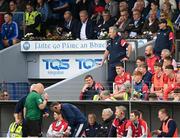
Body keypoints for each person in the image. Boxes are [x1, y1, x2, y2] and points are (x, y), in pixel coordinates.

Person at [100, 26, 132, 91]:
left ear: (115, 32)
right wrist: (102, 61)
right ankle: (112, 93)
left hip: (119, 63)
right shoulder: (109, 41)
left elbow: (129, 46)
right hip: (111, 64)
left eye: (110, 32)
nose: (109, 34)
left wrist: (127, 57)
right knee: (110, 79)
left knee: (122, 79)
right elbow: (107, 51)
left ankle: (122, 93)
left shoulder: (120, 39)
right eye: (109, 32)